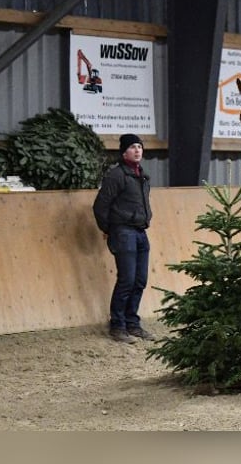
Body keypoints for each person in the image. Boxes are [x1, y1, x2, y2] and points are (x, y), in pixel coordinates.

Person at [92, 133, 155, 344]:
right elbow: (101, 206)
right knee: (127, 280)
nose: (137, 150)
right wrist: (109, 229)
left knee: (140, 280)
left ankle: (132, 323)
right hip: (123, 232)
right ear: (124, 152)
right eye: (132, 147)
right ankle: (117, 326)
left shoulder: (143, 176)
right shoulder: (116, 176)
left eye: (139, 146)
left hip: (140, 231)